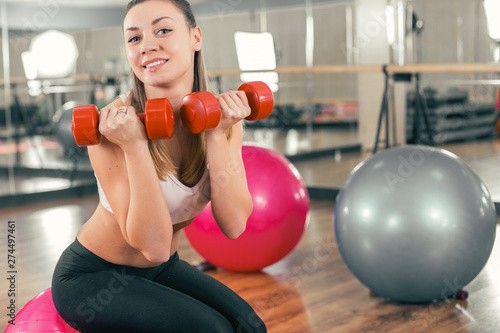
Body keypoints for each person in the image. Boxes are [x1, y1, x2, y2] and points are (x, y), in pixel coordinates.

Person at [51, 0, 267, 332]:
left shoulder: (224, 120)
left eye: (163, 30)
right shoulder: (109, 130)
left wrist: (214, 133)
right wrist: (135, 146)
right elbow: (152, 247)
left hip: (161, 268)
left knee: (251, 327)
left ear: (196, 37)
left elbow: (235, 224)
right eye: (134, 38)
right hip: (92, 276)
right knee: (212, 330)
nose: (148, 45)